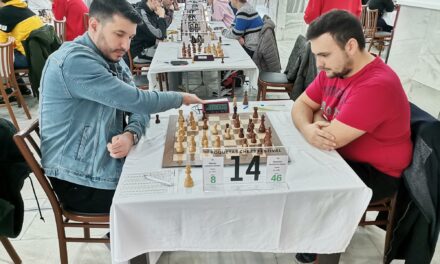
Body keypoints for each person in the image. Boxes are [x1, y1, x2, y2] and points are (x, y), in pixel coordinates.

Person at [39, 0, 203, 214]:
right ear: (94, 25)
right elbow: (139, 101)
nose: (126, 46)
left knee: (174, 164)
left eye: (130, 37)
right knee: (170, 190)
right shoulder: (74, 62)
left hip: (102, 159)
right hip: (79, 181)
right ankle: (129, 239)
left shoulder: (110, 55)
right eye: (119, 34)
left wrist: (131, 133)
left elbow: (136, 104)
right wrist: (181, 97)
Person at [290, 10, 412, 263]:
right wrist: (310, 125)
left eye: (324, 55)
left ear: (351, 46)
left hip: (377, 172)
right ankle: (312, 235)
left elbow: (328, 139)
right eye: (317, 56)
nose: (319, 64)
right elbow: (300, 104)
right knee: (293, 165)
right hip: (342, 156)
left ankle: (324, 248)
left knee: (325, 191)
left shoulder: (376, 84)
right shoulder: (335, 70)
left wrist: (317, 121)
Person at [0, 0, 43, 95]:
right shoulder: (24, 7)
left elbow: (1, 42)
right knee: (10, 54)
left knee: (3, 58)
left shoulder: (4, 11)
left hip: (28, 58)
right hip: (39, 55)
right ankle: (22, 89)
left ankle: (6, 93)